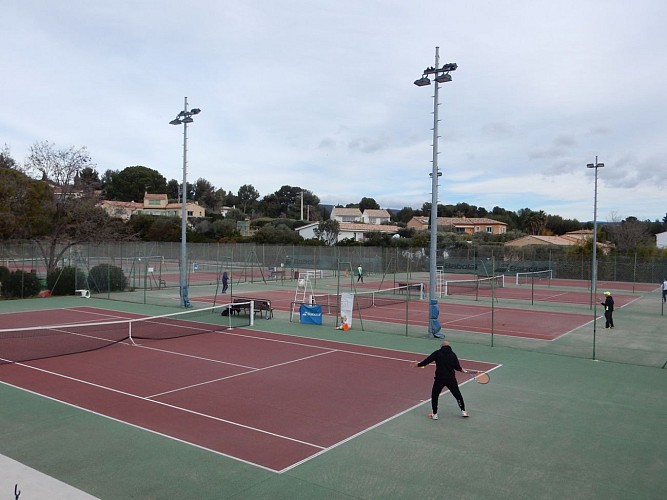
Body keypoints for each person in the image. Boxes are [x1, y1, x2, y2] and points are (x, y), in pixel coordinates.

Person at [411, 341, 469, 419]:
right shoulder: (453, 355)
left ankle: (434, 414)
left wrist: (418, 365)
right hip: (451, 379)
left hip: (439, 379)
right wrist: (463, 370)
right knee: (457, 394)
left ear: (441, 346)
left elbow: (427, 361)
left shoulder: (437, 353)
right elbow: (458, 368)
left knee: (435, 395)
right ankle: (464, 411)